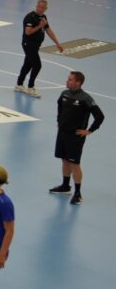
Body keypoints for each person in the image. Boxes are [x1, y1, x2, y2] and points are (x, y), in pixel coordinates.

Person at [49, 71, 104, 206]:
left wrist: (89, 130)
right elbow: (60, 108)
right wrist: (59, 121)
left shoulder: (85, 98)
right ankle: (65, 186)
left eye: (70, 79)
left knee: (74, 164)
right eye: (68, 79)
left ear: (78, 82)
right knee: (64, 160)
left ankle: (78, 194)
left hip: (75, 136)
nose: (67, 81)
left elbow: (100, 116)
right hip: (62, 133)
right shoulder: (64, 94)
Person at [17, 0, 63, 97]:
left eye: (43, 7)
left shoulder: (43, 17)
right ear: (36, 6)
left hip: (36, 46)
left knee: (28, 64)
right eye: (39, 7)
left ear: (46, 8)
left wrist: (57, 43)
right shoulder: (30, 17)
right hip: (28, 44)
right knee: (37, 65)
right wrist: (39, 26)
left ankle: (19, 84)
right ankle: (30, 87)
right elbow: (28, 32)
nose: (40, 9)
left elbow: (48, 30)